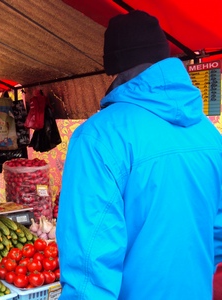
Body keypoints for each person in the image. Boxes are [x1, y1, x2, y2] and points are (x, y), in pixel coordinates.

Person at [56, 10, 222, 300]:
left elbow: (89, 267)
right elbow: (216, 235)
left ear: (116, 70)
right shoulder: (209, 135)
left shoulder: (98, 136)